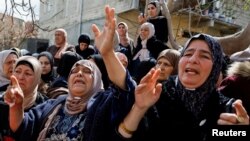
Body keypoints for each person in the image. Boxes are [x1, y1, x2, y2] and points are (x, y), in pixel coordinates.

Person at [2, 5, 136, 141]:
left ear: (97, 80)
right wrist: (17, 106)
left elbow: (126, 92)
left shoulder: (102, 104)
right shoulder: (53, 104)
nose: (79, 73)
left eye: (87, 71)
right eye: (74, 70)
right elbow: (22, 128)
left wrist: (107, 54)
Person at [118, 34, 249, 141]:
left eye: (204, 56)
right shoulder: (155, 94)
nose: (192, 60)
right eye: (187, 54)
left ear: (215, 67)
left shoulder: (226, 111)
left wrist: (241, 133)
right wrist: (138, 109)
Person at [0, 56, 48, 140]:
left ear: (37, 78)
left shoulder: (45, 107)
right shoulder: (2, 100)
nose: (21, 77)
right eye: (17, 71)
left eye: (27, 73)